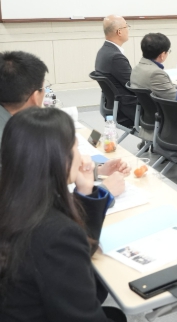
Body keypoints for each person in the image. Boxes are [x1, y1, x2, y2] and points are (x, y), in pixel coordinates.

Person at [0, 107, 126, 322]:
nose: (82, 157)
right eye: (76, 146)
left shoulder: (18, 199)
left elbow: (81, 247)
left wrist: (86, 191)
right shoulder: (55, 234)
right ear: (60, 158)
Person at [0, 51, 129, 195]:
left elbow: (43, 171)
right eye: (43, 88)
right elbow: (36, 199)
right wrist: (104, 192)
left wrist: (96, 170)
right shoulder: (13, 140)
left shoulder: (13, 126)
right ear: (35, 97)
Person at [130, 33, 177, 140]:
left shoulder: (137, 68)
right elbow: (176, 98)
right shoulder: (156, 73)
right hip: (165, 119)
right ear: (162, 55)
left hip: (148, 116)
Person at [94, 15, 136, 128]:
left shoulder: (103, 52)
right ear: (119, 32)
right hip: (127, 109)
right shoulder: (115, 57)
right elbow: (134, 85)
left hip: (112, 106)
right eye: (127, 26)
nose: (128, 29)